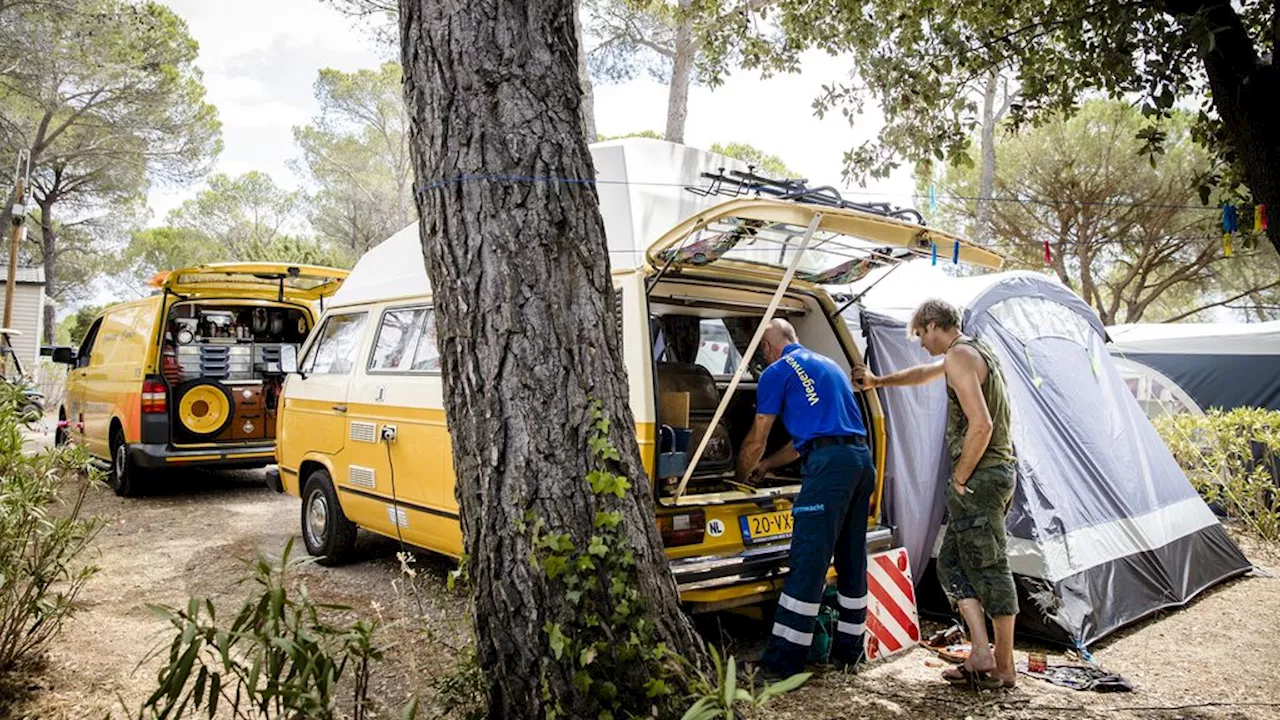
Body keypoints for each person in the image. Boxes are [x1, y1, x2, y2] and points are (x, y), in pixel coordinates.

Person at [853, 299, 1018, 690]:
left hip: (980, 478)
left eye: (920, 336)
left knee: (991, 569)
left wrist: (960, 478)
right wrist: (878, 382)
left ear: (931, 325)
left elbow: (982, 425)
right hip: (991, 476)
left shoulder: (960, 356)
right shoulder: (972, 352)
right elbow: (922, 374)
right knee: (952, 566)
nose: (921, 344)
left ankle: (1004, 668)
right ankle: (981, 653)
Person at [738, 319, 875, 678]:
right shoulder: (828, 364)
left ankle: (783, 665)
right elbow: (807, 442)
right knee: (851, 557)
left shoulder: (776, 371)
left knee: (809, 560)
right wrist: (767, 466)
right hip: (860, 462)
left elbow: (757, 436)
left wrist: (740, 476)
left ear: (768, 348)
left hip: (829, 469)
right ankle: (849, 652)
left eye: (760, 352)